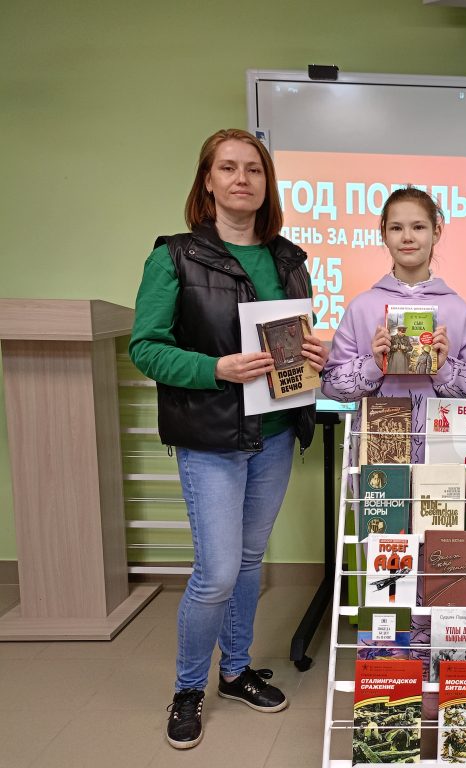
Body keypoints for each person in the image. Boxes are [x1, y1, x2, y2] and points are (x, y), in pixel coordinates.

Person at [128, 128, 328, 749]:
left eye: (254, 169)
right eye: (228, 168)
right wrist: (216, 368)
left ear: (267, 184)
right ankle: (189, 688)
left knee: (247, 563)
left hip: (275, 433)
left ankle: (236, 671)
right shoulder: (174, 257)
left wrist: (315, 354)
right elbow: (146, 348)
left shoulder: (289, 259)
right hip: (211, 438)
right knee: (215, 572)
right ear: (208, 181)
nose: (242, 178)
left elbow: (292, 342)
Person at [321, 187, 466, 462]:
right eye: (397, 228)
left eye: (419, 227)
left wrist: (444, 368)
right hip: (378, 454)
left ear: (436, 232)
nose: (407, 237)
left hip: (441, 456)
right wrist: (373, 364)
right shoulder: (362, 306)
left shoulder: (458, 310)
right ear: (384, 234)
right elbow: (331, 387)